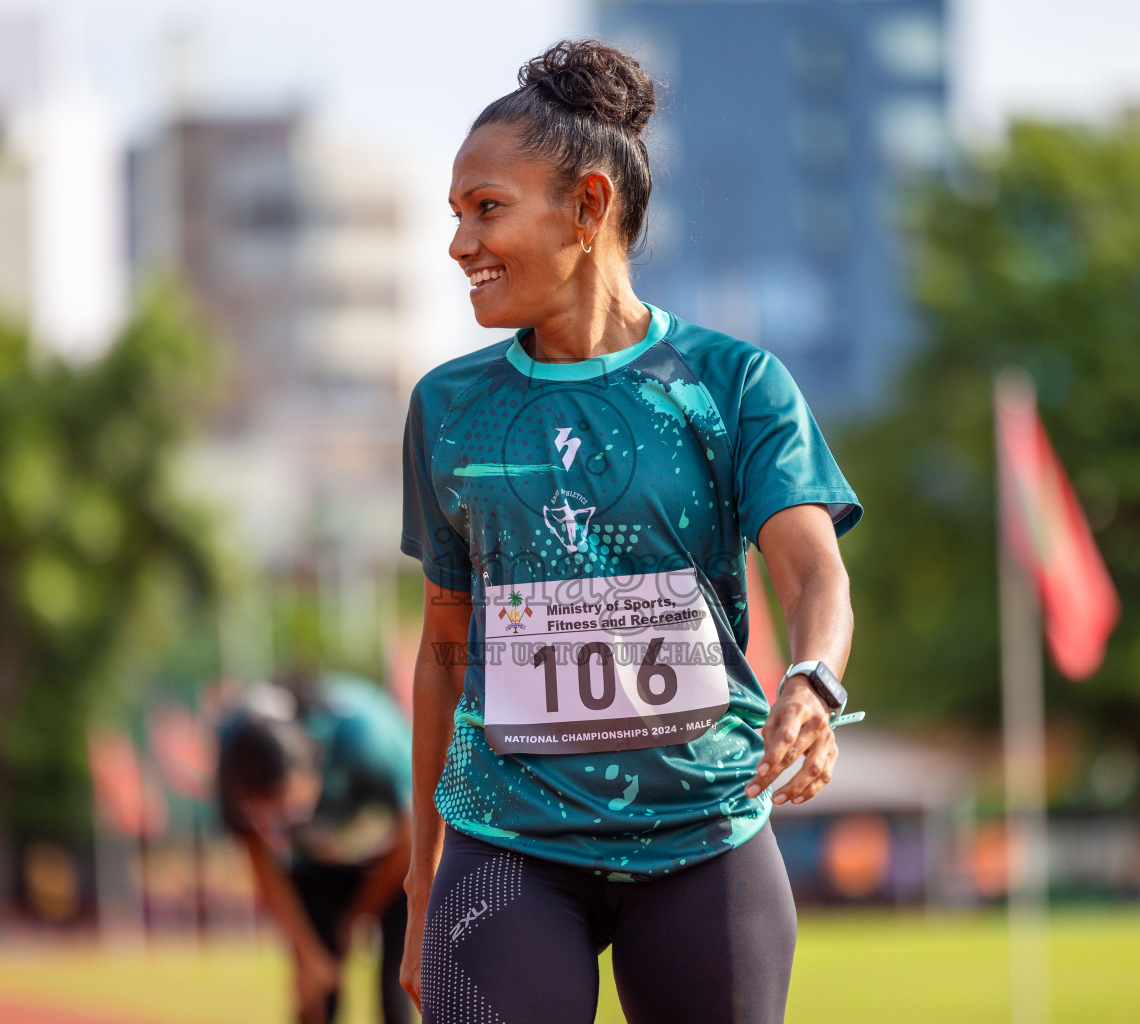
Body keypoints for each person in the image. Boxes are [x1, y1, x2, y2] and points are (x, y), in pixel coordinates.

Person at [397, 38, 865, 1024]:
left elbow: (812, 569)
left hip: (704, 836)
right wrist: (419, 877)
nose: (459, 245)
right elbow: (443, 650)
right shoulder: (448, 409)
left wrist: (814, 679)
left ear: (590, 206)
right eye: (455, 217)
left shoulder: (733, 386)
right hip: (505, 846)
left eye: (487, 209)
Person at [215, 675, 414, 1024]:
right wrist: (307, 955)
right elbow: (262, 863)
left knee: (395, 990)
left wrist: (358, 917)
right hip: (317, 870)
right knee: (317, 996)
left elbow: (415, 836)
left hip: (393, 864)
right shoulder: (234, 753)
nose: (273, 825)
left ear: (310, 763)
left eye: (283, 806)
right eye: (261, 813)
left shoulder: (367, 739)